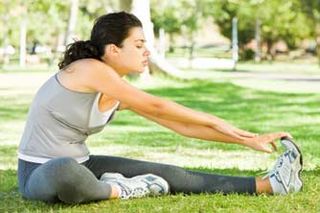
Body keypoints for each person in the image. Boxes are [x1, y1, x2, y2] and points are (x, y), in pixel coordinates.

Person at [17, 11, 303, 204]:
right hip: (39, 172)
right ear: (114, 49)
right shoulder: (88, 69)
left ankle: (270, 184)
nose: (147, 53)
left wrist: (247, 139)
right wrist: (243, 136)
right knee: (64, 171)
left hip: (84, 164)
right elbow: (158, 105)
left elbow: (182, 124)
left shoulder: (116, 88)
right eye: (139, 45)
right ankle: (120, 189)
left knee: (168, 172)